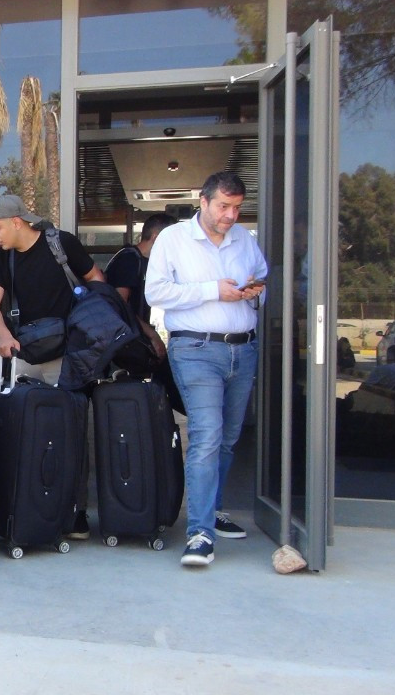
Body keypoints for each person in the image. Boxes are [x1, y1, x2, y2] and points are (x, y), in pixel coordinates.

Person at [145, 171, 266, 568]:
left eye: (237, 207)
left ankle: (210, 510)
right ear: (204, 200)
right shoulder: (173, 239)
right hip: (195, 349)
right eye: (223, 206)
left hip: (243, 350)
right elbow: (156, 293)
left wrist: (253, 293)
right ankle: (199, 533)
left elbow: (259, 281)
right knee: (207, 435)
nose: (231, 215)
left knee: (228, 438)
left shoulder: (246, 241)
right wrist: (215, 290)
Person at [0, 193, 104, 540]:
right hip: (25, 354)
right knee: (20, 430)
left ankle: (75, 511)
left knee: (73, 433)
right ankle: (26, 505)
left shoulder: (60, 244)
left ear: (17, 222)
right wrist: (4, 336)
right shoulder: (2, 259)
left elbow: (97, 281)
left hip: (67, 357)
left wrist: (95, 324)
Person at [105, 212, 183, 411]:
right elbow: (120, 304)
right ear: (157, 238)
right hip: (123, 340)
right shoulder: (129, 259)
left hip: (131, 337)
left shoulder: (141, 262)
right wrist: (151, 333)